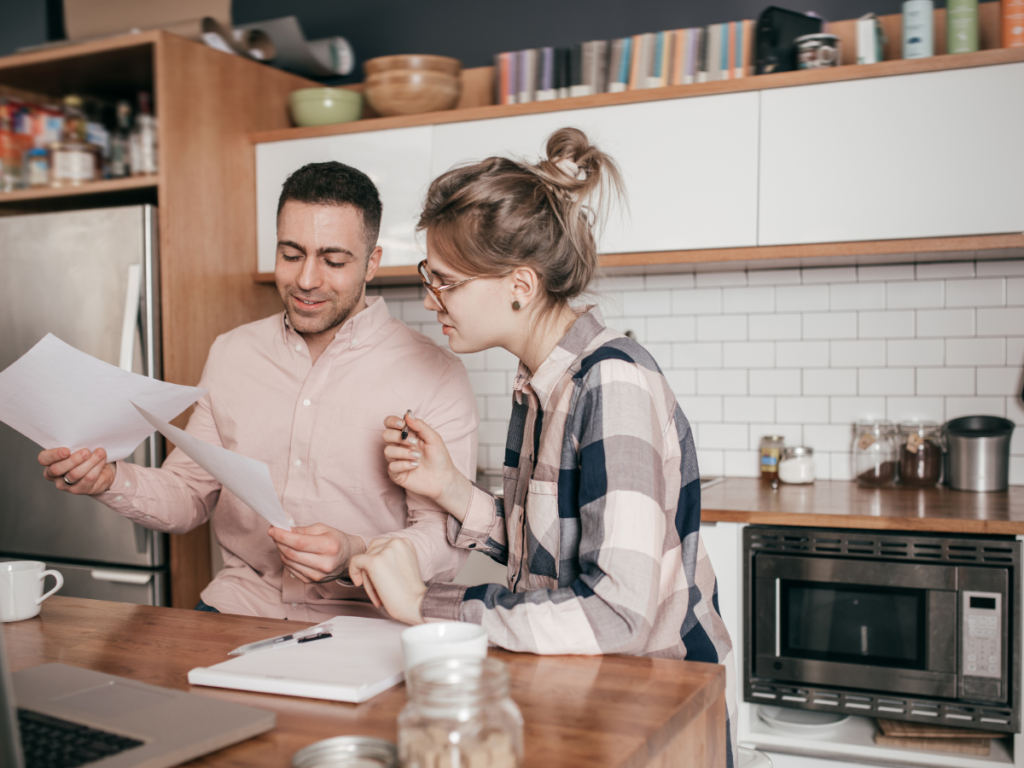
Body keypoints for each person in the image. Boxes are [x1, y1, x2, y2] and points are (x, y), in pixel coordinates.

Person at [348, 128, 737, 767]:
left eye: (445, 281)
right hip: (596, 692)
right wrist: (450, 489)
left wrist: (428, 605)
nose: (429, 299)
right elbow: (556, 553)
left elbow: (616, 612)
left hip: (659, 713)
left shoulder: (611, 382)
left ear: (519, 285)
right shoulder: (542, 382)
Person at [36, 161, 479, 622]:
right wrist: (109, 480)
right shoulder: (232, 353)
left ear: (372, 263)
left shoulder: (435, 373)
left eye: (333, 260)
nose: (307, 279)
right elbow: (188, 495)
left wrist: (355, 554)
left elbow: (444, 541)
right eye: (291, 255)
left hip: (368, 620)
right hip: (239, 607)